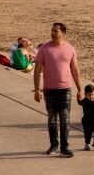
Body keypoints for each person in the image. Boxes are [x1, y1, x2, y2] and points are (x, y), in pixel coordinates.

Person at [33, 22, 82, 157]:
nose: (53, 33)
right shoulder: (44, 49)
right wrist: (37, 90)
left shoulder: (70, 49)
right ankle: (54, 145)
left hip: (65, 89)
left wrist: (80, 89)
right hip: (49, 90)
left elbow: (75, 70)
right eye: (52, 30)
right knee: (52, 119)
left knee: (65, 119)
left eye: (56, 31)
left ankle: (65, 147)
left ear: (63, 33)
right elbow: (37, 70)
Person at [78, 84, 94, 151]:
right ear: (85, 94)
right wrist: (78, 98)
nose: (91, 96)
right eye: (89, 95)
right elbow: (80, 102)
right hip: (87, 121)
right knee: (88, 133)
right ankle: (87, 144)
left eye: (92, 94)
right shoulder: (85, 101)